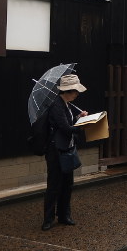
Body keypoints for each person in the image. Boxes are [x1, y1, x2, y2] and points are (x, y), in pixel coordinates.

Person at [43, 74, 88, 231]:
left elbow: (68, 123)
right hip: (56, 151)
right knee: (54, 185)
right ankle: (48, 219)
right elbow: (65, 128)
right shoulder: (56, 105)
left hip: (67, 148)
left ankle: (64, 215)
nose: (77, 94)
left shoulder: (66, 104)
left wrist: (78, 117)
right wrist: (84, 124)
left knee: (67, 184)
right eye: (75, 91)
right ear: (68, 91)